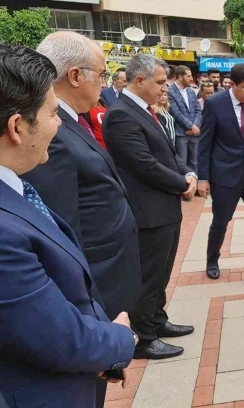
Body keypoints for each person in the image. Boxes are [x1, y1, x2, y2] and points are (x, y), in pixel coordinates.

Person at [0, 44, 137, 408]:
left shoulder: (15, 186)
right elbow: (58, 335)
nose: (58, 123)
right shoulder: (4, 233)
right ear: (17, 127)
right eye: (50, 113)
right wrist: (119, 341)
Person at [104, 53, 197, 360]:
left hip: (164, 209)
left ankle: (157, 320)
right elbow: (144, 164)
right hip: (148, 212)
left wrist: (188, 172)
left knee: (162, 273)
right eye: (159, 82)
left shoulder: (145, 111)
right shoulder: (121, 114)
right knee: (148, 277)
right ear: (139, 80)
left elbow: (167, 154)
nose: (163, 88)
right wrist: (182, 183)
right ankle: (143, 337)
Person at [196, 64, 244, 288]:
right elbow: (204, 144)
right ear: (233, 85)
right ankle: (212, 260)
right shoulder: (215, 104)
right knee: (221, 222)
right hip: (225, 175)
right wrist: (203, 177)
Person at [168, 65, 202, 174]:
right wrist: (190, 126)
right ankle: (184, 186)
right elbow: (175, 112)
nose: (191, 78)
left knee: (195, 162)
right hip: (181, 133)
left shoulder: (191, 92)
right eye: (188, 76)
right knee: (182, 162)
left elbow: (198, 110)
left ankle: (195, 184)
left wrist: (195, 126)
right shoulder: (170, 91)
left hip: (194, 133)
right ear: (180, 77)